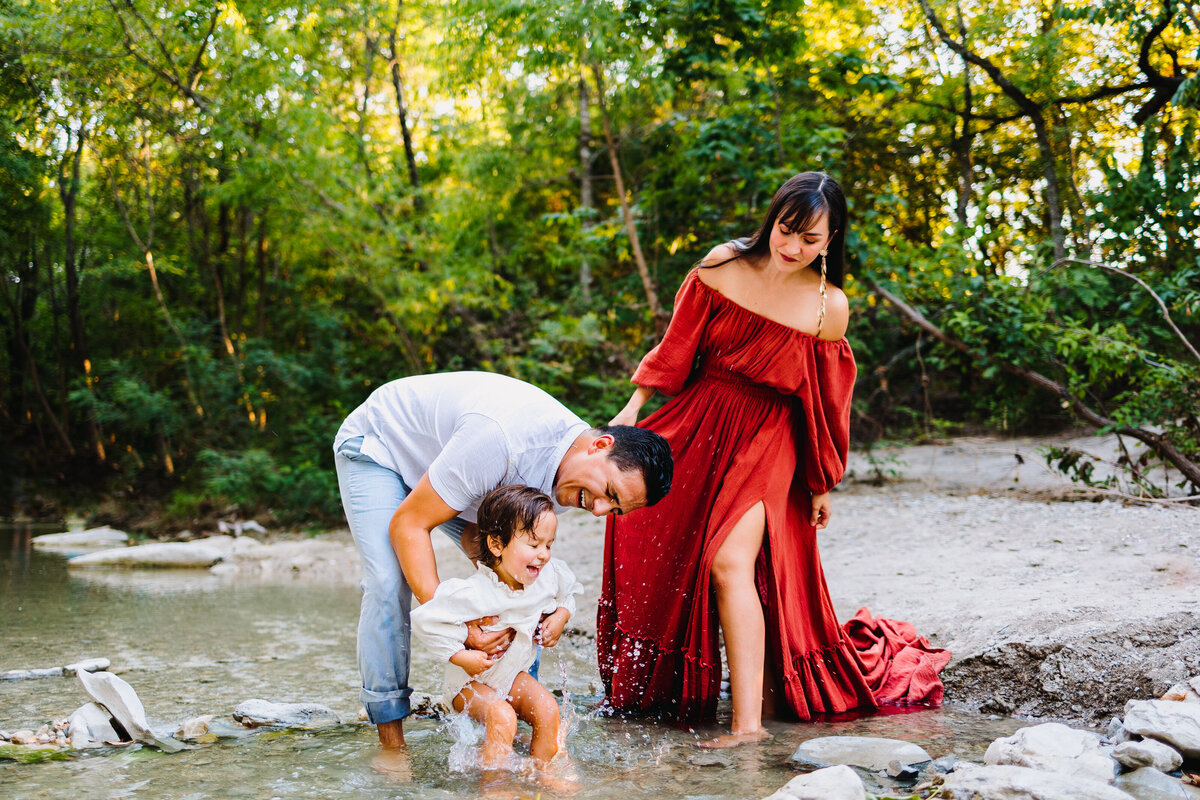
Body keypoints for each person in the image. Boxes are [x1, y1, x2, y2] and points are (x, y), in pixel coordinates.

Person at [600, 172, 943, 748]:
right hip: (698, 419)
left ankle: (748, 729)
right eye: (787, 230)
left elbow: (827, 402)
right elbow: (675, 347)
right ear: (772, 219)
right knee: (648, 527)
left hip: (770, 436)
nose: (793, 248)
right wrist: (632, 408)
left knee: (730, 564)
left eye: (811, 240)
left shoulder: (827, 306)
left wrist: (820, 480)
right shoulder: (721, 266)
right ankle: (674, 692)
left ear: (831, 241)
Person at [333, 370, 672, 761]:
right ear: (600, 444)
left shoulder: (575, 476)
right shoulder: (503, 442)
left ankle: (515, 718)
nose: (598, 510)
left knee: (521, 579)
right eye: (607, 493)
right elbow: (410, 522)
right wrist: (460, 623)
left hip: (459, 475)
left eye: (614, 509)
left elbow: (510, 569)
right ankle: (391, 740)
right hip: (383, 447)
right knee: (388, 583)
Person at [411, 485, 580, 769]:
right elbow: (424, 621)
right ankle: (495, 786)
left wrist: (561, 615)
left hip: (512, 675)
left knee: (549, 709)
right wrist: (460, 653)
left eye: (549, 545)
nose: (544, 555)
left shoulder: (548, 577)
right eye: (534, 544)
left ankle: (543, 773)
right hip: (467, 684)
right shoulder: (472, 593)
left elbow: (570, 592)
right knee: (502, 716)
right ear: (497, 545)